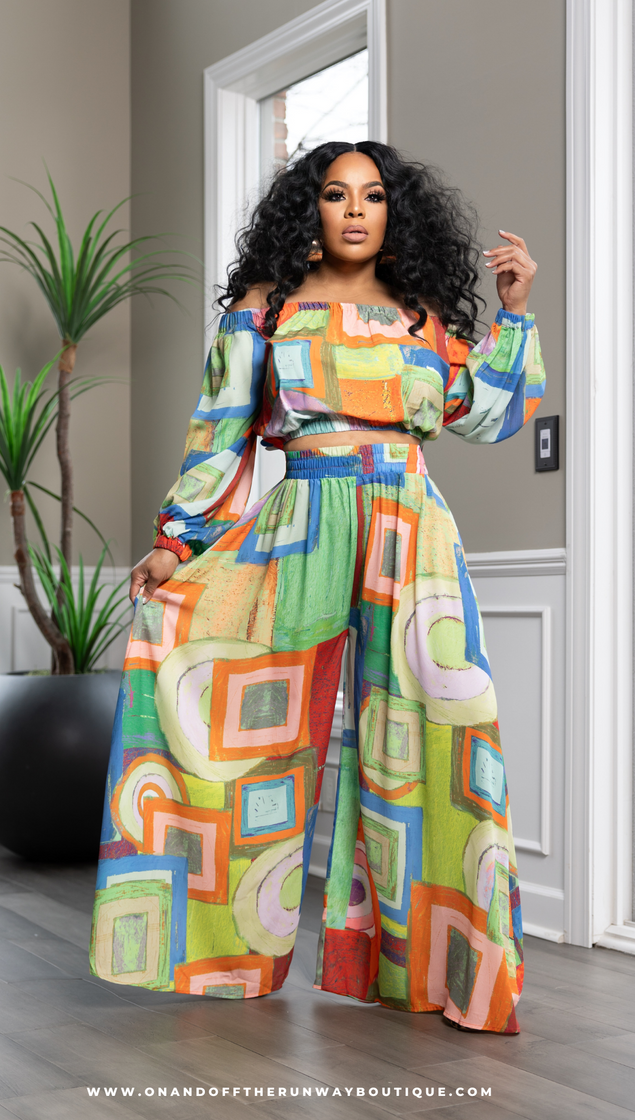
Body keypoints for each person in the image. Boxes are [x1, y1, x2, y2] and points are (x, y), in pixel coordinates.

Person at [89, 141, 543, 1035]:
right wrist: (176, 542)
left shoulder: (421, 318)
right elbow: (220, 431)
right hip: (302, 516)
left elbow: (489, 415)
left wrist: (516, 313)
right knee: (253, 731)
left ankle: (442, 968)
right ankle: (222, 954)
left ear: (394, 212)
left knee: (438, 732)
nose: (356, 210)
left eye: (373, 195)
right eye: (337, 194)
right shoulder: (266, 310)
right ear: (313, 210)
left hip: (413, 528)